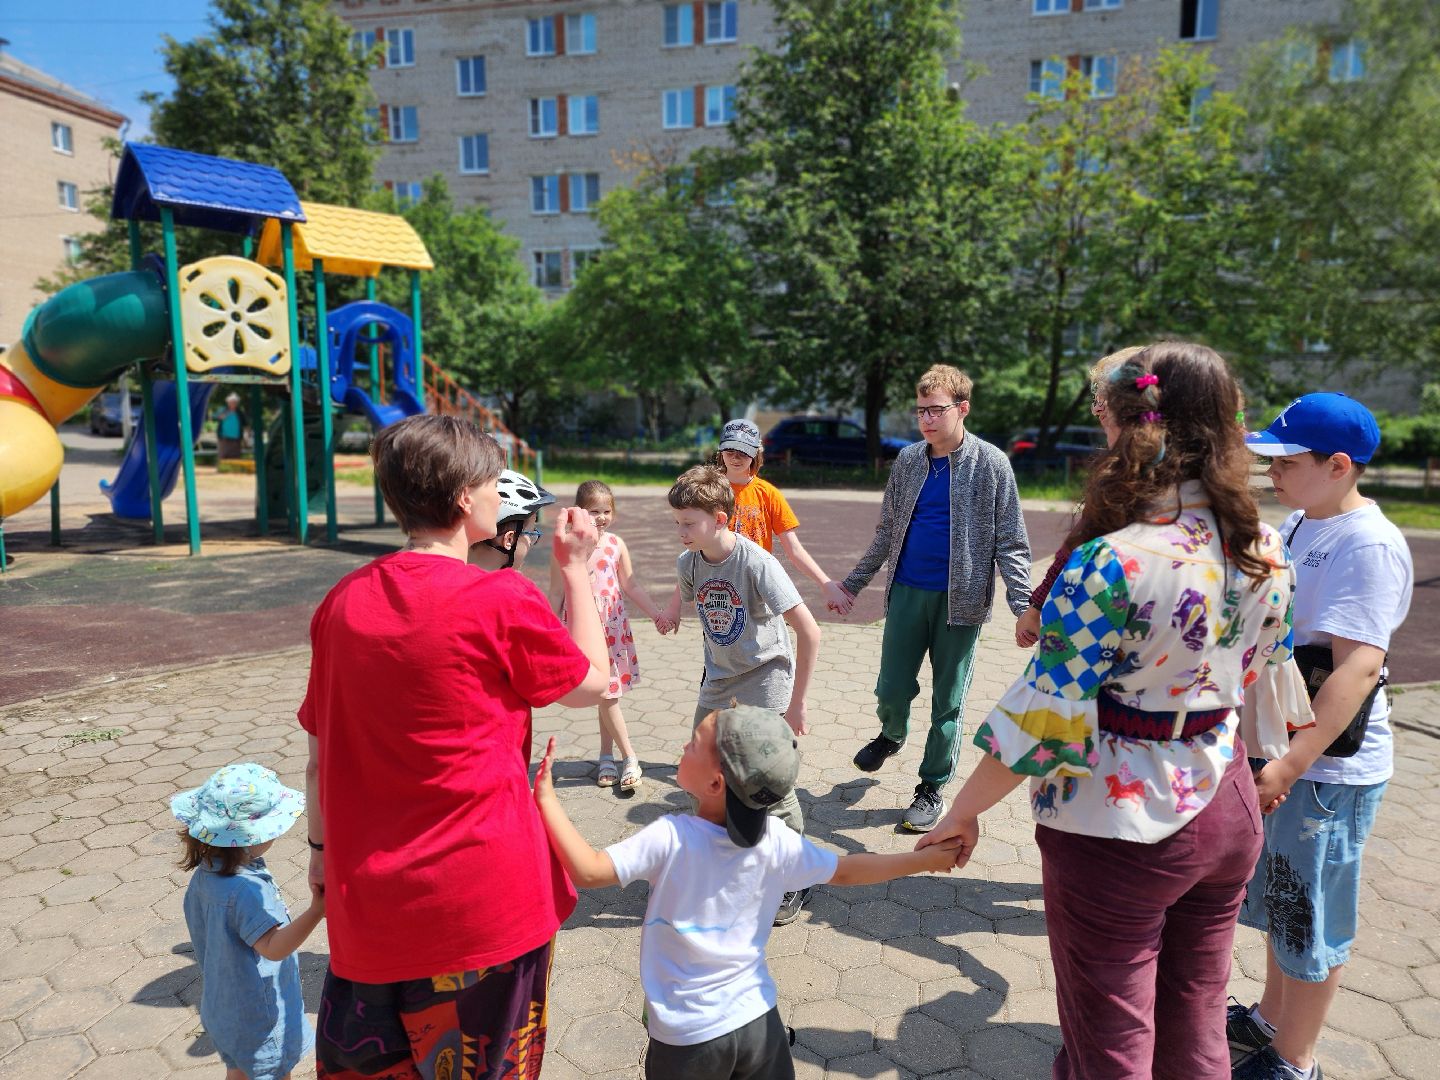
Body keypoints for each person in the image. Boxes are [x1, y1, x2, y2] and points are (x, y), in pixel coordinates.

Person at [917, 342, 1301, 1080]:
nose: (1099, 422)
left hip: (1122, 824)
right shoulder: (1266, 548)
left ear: (1132, 425)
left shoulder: (1113, 560)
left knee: (1111, 1042)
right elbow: (1265, 679)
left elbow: (1047, 720)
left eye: (1103, 411)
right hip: (1226, 804)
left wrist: (962, 812)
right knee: (1197, 1017)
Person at [298, 414, 612, 1080]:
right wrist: (576, 570)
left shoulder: (341, 603)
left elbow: (318, 760)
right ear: (466, 498)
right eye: (494, 482)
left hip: (368, 913)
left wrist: (321, 854)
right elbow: (592, 684)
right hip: (483, 910)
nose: (500, 494)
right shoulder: (500, 597)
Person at [532, 705, 963, 1080]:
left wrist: (546, 799)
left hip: (688, 1037)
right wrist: (924, 860)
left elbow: (589, 871)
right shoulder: (776, 839)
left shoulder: (671, 837)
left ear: (715, 784)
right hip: (758, 1023)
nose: (683, 746)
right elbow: (848, 871)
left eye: (693, 744)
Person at [1230, 394, 1414, 1080]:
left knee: (1312, 916)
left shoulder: (1367, 544)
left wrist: (1291, 763)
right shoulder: (1303, 520)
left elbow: (1358, 667)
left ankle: (1294, 1060)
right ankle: (1270, 1019)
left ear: (1338, 465)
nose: (1271, 471)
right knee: (1284, 900)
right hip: (1292, 751)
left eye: (1286, 460)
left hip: (1330, 769)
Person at [838, 364, 1033, 832]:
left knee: (948, 702)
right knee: (891, 688)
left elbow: (1011, 542)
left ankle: (931, 786)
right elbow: (887, 531)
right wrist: (853, 583)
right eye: (920, 410)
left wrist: (1023, 606)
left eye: (936, 410)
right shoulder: (908, 461)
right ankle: (892, 734)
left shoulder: (992, 464)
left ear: (962, 409)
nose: (926, 419)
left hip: (960, 604)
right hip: (907, 593)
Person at [660, 464, 823, 925]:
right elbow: (684, 591)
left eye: (688, 523)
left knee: (763, 778)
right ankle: (716, 858)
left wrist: (797, 704)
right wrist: (671, 611)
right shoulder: (689, 561)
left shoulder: (757, 563)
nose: (680, 532)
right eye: (677, 522)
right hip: (720, 680)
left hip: (765, 678)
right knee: (700, 771)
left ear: (720, 519)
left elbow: (810, 631)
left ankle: (794, 874)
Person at [172, 762, 325, 1080]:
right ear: (251, 835)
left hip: (221, 1007)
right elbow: (272, 947)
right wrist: (316, 911)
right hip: (258, 1015)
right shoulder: (245, 890)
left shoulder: (204, 877)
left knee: (239, 1070)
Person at [1015, 346, 1145, 649]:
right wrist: (1036, 606)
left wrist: (1036, 608)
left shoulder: (1129, 480)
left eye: (1103, 399)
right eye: (1095, 399)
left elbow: (1077, 546)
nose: (1097, 411)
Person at [551, 479, 674, 791]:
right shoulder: (566, 546)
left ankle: (606, 757)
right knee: (606, 694)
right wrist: (547, 635)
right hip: (581, 631)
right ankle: (629, 757)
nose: (601, 517)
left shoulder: (616, 544)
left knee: (606, 695)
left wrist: (657, 614)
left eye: (606, 511)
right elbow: (555, 594)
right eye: (594, 511)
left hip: (613, 630)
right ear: (579, 512)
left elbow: (631, 585)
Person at [713, 418, 853, 614]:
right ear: (720, 452)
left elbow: (794, 549)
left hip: (756, 587)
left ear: (756, 453)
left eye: (743, 452)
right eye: (730, 452)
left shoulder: (768, 494)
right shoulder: (709, 491)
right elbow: (694, 549)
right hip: (717, 587)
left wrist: (826, 584)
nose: (736, 458)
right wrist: (674, 606)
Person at [467, 468, 552, 572]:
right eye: (531, 534)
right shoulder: (514, 583)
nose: (531, 543)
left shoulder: (451, 573)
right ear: (509, 539)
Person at [217, 392, 247, 461]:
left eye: (235, 402)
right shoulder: (223, 410)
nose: (233, 403)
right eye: (231, 402)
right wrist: (227, 413)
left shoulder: (239, 412)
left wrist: (246, 437)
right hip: (224, 438)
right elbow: (217, 417)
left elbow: (245, 424)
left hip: (236, 439)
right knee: (223, 457)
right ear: (228, 402)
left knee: (235, 457)